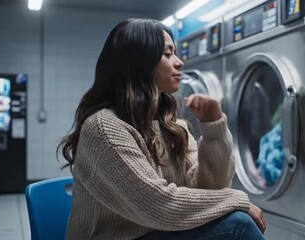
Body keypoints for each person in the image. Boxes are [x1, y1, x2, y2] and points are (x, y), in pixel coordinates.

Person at [58, 18, 266, 240]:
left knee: (233, 221)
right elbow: (157, 205)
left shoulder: (174, 127)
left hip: (159, 233)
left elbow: (212, 189)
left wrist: (213, 127)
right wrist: (238, 201)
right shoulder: (104, 128)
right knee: (237, 225)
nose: (179, 62)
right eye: (167, 54)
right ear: (139, 62)